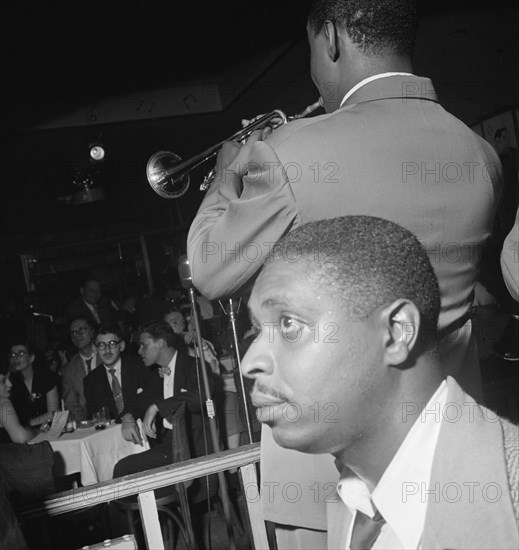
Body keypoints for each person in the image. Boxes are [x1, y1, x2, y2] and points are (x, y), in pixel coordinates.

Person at [186, 1, 503, 545]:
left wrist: (225, 178)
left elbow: (208, 269)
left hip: (324, 473)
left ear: (330, 38)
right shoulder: (479, 155)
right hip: (453, 458)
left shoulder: (292, 152)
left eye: (312, 49)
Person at [241, 216, 518, 549]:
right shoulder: (354, 493)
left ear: (396, 332)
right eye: (258, 331)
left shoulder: (509, 501)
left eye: (289, 324)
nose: (249, 363)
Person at [113, 321, 215, 478]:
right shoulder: (160, 374)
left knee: (123, 469)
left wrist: (156, 407)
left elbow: (199, 395)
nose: (139, 351)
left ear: (161, 344)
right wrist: (127, 417)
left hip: (192, 446)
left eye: (143, 345)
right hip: (170, 444)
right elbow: (141, 400)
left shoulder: (192, 366)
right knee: (122, 466)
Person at [83, 323, 151, 421]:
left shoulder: (140, 366)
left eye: (112, 344)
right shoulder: (90, 380)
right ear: (96, 349)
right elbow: (93, 415)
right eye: (101, 345)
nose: (107, 350)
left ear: (122, 346)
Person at [8, 340, 59, 428]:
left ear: (31, 357)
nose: (15, 358)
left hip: (49, 429)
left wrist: (28, 424)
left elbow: (53, 412)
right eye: (13, 355)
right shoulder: (9, 384)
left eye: (21, 353)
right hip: (23, 434)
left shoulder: (47, 377)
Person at [61, 316, 101, 421]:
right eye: (73, 333)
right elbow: (71, 404)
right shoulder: (68, 370)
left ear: (92, 332)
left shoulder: (106, 354)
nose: (77, 335)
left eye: (81, 330)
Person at [0, 363, 36, 444]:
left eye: (9, 379)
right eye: (3, 381)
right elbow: (21, 438)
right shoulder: (2, 402)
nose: (10, 384)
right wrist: (38, 431)